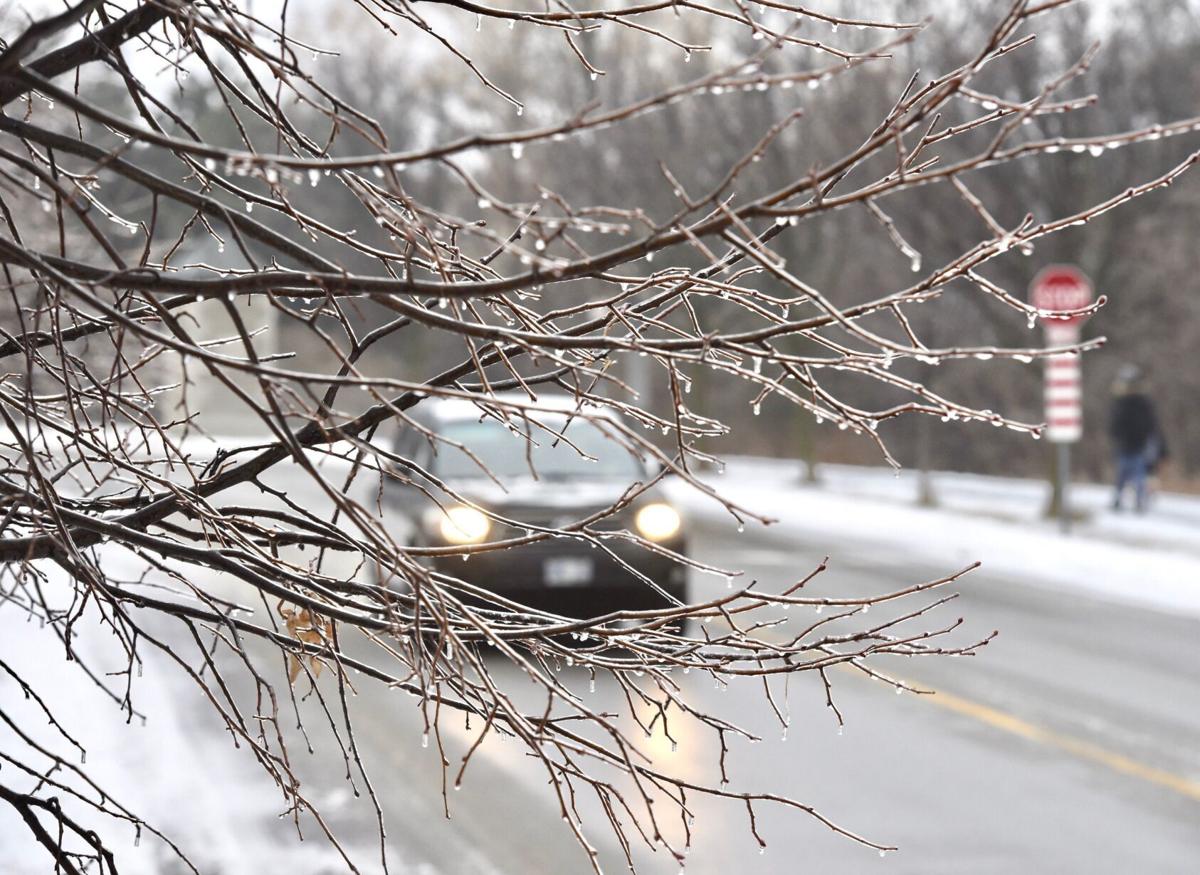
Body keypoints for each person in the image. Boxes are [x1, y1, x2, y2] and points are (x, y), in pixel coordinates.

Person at [1108, 364, 1166, 512]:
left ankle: (1132, 500)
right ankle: (1125, 500)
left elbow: (1151, 426)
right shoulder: (1131, 402)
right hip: (1131, 444)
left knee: (1132, 474)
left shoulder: (1138, 403)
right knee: (1129, 474)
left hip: (1136, 445)